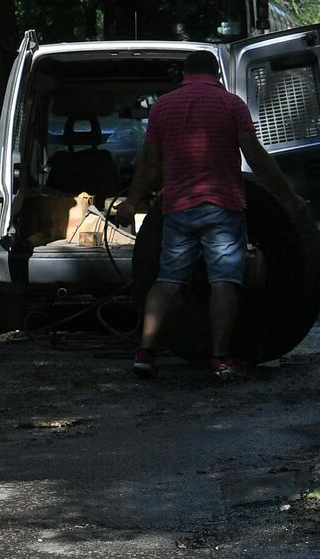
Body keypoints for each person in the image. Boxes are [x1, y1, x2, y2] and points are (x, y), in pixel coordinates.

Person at [122, 51, 298, 380]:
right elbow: (256, 157)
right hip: (222, 207)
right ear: (216, 73)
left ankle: (145, 352)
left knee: (167, 281)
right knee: (223, 282)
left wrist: (131, 204)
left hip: (177, 208)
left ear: (183, 74)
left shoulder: (162, 107)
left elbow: (149, 164)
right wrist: (287, 198)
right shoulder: (232, 105)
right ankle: (219, 358)